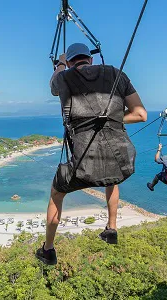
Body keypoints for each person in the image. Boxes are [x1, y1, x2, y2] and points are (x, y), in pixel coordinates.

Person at [36, 43, 148, 265]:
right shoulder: (116, 73)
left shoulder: (64, 76)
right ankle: (112, 228)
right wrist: (111, 117)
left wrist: (59, 62)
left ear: (70, 62)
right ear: (91, 60)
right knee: (111, 177)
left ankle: (48, 249)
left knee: (57, 194)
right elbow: (140, 114)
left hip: (82, 168)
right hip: (122, 162)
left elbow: (53, 85)